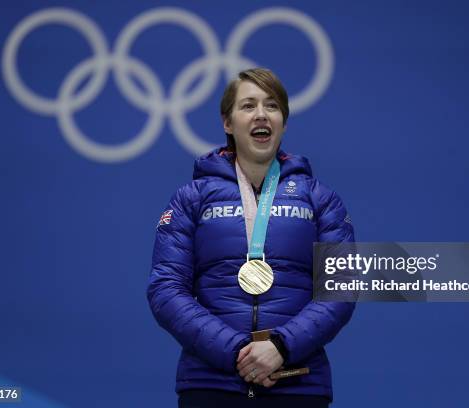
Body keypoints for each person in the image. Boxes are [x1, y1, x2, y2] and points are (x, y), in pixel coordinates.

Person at [147, 68, 355, 407]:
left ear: (283, 122)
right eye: (248, 105)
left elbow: (341, 288)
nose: (261, 114)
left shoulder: (321, 199)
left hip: (298, 385)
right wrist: (235, 352)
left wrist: (281, 347)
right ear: (227, 123)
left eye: (272, 106)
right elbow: (166, 289)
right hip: (211, 385)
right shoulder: (190, 199)